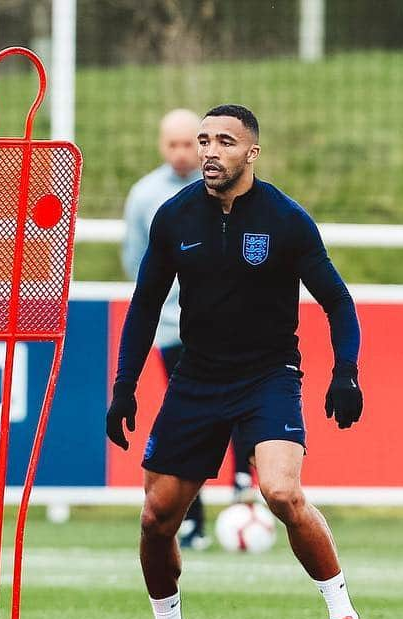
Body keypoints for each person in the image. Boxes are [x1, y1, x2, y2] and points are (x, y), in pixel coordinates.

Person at [106, 104, 371, 619]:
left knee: (281, 492)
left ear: (251, 153)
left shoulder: (286, 219)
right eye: (203, 140)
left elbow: (338, 302)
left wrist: (345, 370)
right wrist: (124, 386)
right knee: (157, 518)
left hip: (268, 377)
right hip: (196, 379)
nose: (209, 150)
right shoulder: (174, 217)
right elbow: (145, 304)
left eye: (224, 141)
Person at [121, 110, 255, 552]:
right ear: (162, 145)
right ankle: (191, 519)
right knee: (191, 423)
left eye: (189, 144)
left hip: (228, 327)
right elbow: (136, 262)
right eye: (174, 144)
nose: (183, 153)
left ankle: (242, 486)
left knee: (239, 407)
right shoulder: (146, 196)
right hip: (172, 328)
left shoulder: (225, 188)